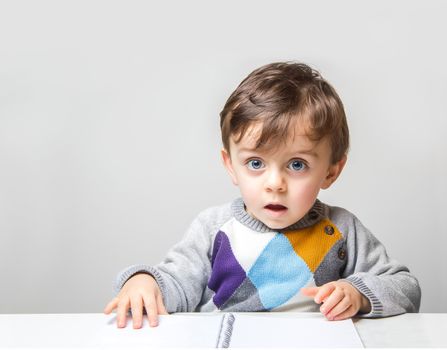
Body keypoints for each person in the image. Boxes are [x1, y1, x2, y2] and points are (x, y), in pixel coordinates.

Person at [104, 62, 421, 328]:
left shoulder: (341, 229)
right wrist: (145, 281)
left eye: (297, 164)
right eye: (255, 163)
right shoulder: (214, 227)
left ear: (331, 171)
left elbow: (405, 287)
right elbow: (177, 283)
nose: (275, 183)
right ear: (231, 165)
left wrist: (359, 293)